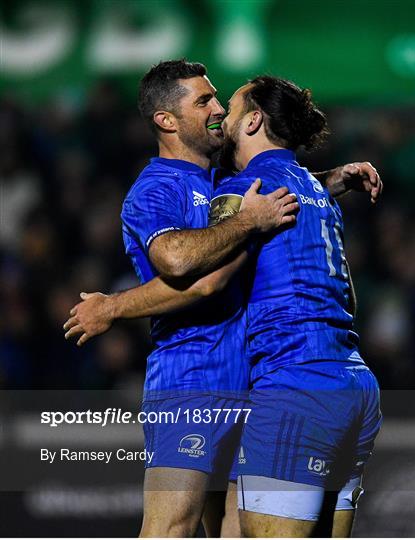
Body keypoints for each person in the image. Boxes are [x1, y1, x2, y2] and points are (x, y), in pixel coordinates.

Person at [64, 60, 382, 538]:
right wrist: (112, 306)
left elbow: (272, 181)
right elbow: (186, 267)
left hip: (255, 383)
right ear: (166, 120)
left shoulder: (225, 183)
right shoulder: (154, 190)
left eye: (221, 100)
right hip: (194, 378)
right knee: (170, 528)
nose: (216, 109)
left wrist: (330, 179)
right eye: (204, 101)